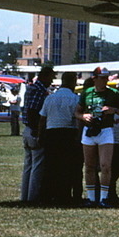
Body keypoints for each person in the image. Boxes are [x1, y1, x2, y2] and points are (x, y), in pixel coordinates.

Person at [79, 69, 119, 206]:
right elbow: (77, 111)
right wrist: (83, 116)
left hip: (106, 130)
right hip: (89, 130)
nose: (105, 81)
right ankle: (91, 198)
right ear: (95, 79)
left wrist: (114, 110)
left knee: (105, 165)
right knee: (89, 165)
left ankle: (104, 197)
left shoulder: (114, 93)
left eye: (106, 78)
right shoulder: (87, 93)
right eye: (102, 78)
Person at [39, 71, 81, 204]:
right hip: (68, 133)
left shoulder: (50, 98)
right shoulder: (75, 99)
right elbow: (78, 119)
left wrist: (40, 135)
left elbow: (42, 119)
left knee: (51, 166)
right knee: (67, 167)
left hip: (51, 132)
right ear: (73, 81)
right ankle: (65, 194)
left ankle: (47, 195)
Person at [20, 67, 54, 203]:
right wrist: (38, 131)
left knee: (28, 166)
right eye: (50, 78)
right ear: (45, 77)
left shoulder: (31, 89)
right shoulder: (39, 91)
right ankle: (33, 197)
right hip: (34, 130)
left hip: (27, 130)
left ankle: (25, 196)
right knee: (37, 166)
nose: (51, 81)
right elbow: (33, 111)